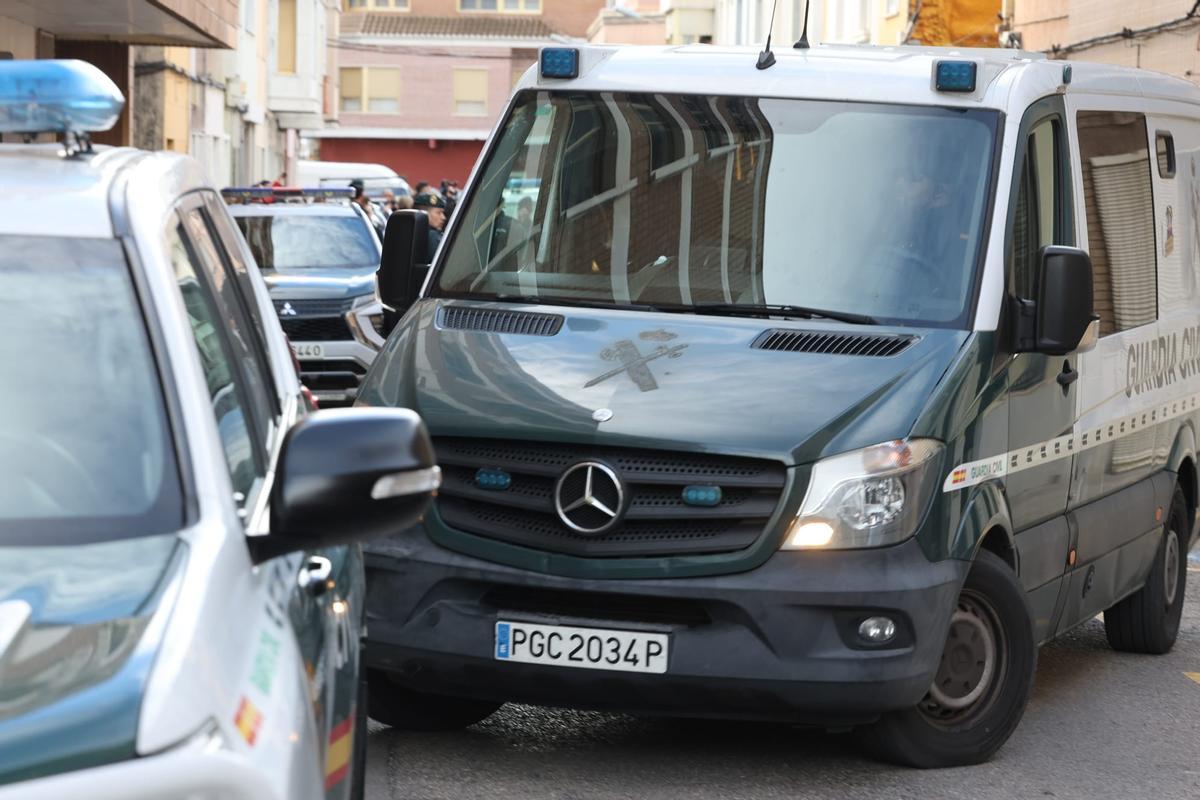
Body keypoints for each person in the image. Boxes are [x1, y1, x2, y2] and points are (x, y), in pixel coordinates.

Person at [413, 191, 447, 257]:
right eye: (439, 213)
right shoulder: (432, 236)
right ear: (424, 214)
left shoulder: (410, 232)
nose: (443, 217)